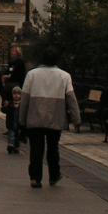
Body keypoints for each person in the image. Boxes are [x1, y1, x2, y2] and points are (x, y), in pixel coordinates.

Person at [19, 46, 81, 188]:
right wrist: (76, 119)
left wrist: (22, 119)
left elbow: (25, 100)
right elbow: (71, 99)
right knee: (53, 148)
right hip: (55, 117)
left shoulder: (32, 75)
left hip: (35, 118)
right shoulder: (65, 76)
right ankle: (54, 175)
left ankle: (35, 177)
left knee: (36, 149)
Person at [4, 85, 23, 154]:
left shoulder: (22, 104)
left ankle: (16, 147)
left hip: (18, 123)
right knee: (11, 135)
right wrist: (5, 106)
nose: (16, 95)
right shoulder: (10, 103)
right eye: (14, 94)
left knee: (17, 136)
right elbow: (4, 110)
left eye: (18, 94)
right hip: (11, 123)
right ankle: (10, 145)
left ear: (21, 95)